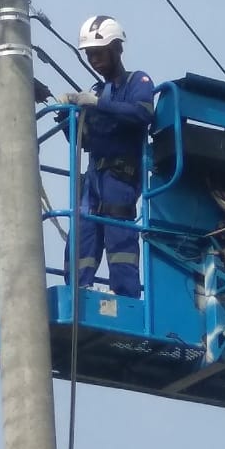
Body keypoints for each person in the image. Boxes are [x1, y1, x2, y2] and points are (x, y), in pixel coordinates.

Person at [58, 15, 154, 298]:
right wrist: (67, 116)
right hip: (94, 177)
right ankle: (77, 290)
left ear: (116, 49)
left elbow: (142, 112)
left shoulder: (138, 81)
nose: (94, 60)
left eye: (99, 53)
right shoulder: (98, 91)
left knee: (118, 235)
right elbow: (83, 139)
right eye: (90, 55)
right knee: (83, 232)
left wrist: (99, 104)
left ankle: (125, 297)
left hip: (120, 175)